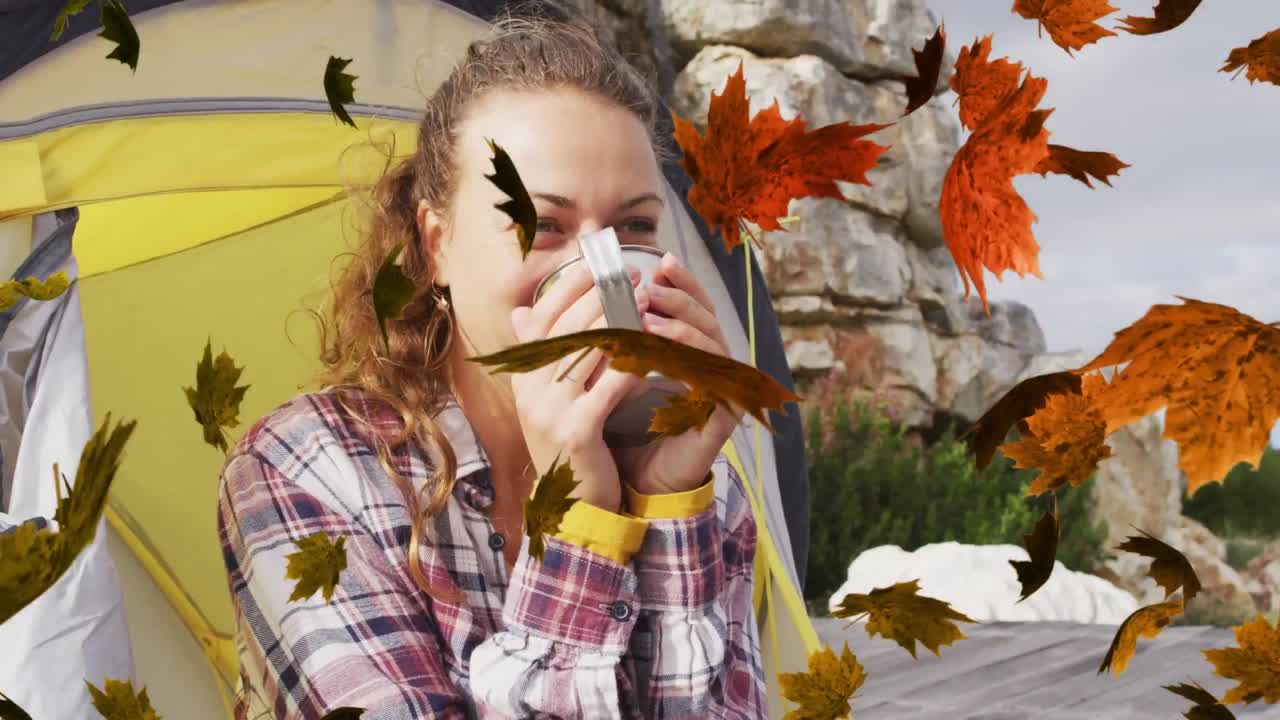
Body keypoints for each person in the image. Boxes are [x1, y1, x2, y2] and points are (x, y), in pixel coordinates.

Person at [215, 2, 767, 718]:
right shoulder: (306, 472)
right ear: (436, 243)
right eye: (540, 226)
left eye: (634, 226)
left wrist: (666, 506)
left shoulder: (701, 487)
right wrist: (576, 526)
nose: (604, 274)